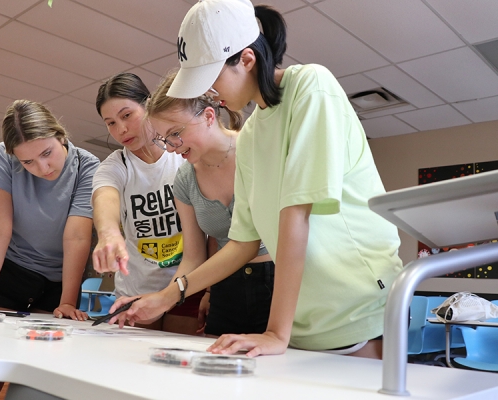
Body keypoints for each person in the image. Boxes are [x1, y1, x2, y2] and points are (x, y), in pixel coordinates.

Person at [111, 0, 403, 359]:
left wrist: (275, 332)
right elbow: (242, 243)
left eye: (211, 79)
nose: (210, 93)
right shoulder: (250, 136)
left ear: (246, 59)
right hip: (303, 319)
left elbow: (296, 214)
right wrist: (166, 297)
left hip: (356, 309)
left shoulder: (310, 85)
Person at [0, 99, 100, 400]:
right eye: (27, 162)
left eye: (47, 153)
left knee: (37, 375)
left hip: (59, 281)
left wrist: (68, 302)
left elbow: (77, 238)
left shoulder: (89, 166)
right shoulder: (2, 158)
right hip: (11, 270)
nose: (42, 168)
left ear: (61, 135)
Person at [136, 71, 275, 336]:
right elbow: (194, 257)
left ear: (209, 116)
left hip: (277, 279)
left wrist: (168, 295)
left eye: (175, 133)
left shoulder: (257, 150)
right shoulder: (185, 180)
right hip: (225, 285)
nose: (171, 147)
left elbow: (252, 243)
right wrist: (161, 298)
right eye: (163, 139)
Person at [92, 72, 204, 335]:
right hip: (136, 292)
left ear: (148, 105)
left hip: (186, 283)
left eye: (127, 115)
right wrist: (108, 233)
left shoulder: (183, 156)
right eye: (110, 123)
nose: (120, 129)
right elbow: (104, 196)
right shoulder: (115, 166)